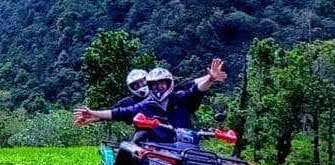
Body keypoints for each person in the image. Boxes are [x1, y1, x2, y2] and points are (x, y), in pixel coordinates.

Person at [74, 58, 227, 142]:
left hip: (184, 144)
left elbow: (196, 88)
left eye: (162, 84)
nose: (159, 87)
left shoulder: (181, 97)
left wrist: (211, 79)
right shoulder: (144, 105)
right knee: (134, 155)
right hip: (154, 145)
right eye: (154, 85)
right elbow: (118, 112)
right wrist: (94, 114)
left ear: (169, 83)